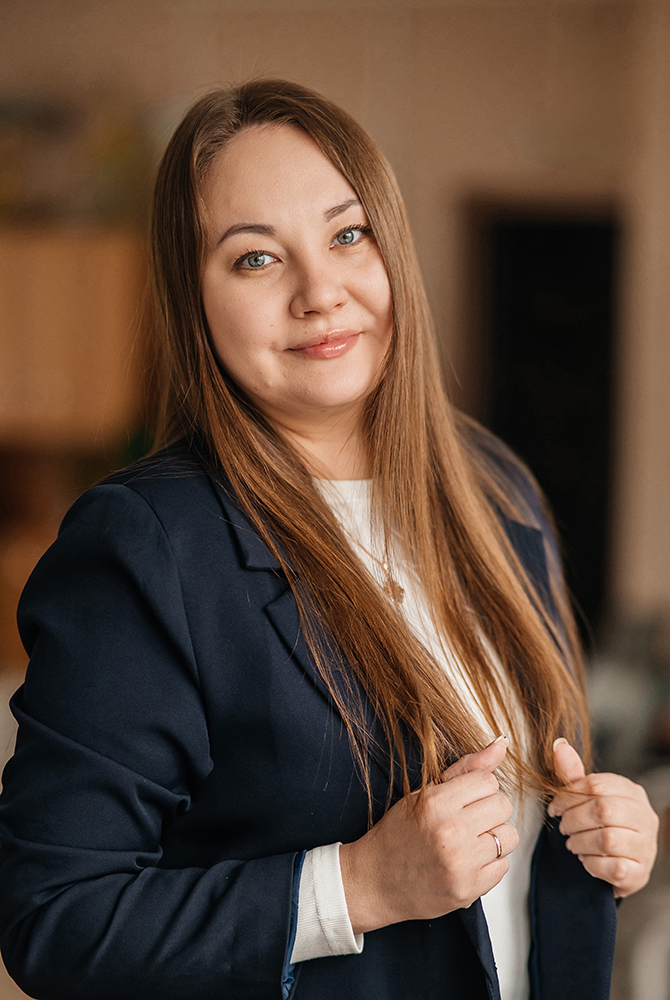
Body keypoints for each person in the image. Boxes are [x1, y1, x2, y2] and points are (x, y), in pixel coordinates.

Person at [0, 79, 659, 1000]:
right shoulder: (146, 545)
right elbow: (56, 918)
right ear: (193, 300)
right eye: (255, 259)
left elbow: (522, 837)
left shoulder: (493, 485)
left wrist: (607, 840)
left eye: (348, 235)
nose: (320, 293)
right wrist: (356, 886)